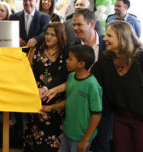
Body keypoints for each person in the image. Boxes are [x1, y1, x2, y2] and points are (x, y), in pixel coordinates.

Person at [91, 21, 143, 152]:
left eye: (109, 35)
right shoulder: (103, 64)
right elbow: (86, 80)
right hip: (119, 118)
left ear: (122, 37)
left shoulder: (140, 59)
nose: (104, 38)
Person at [42, 45, 102, 152]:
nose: (66, 61)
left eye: (70, 58)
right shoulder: (71, 77)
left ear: (81, 64)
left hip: (81, 138)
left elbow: (96, 115)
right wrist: (51, 107)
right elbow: (70, 100)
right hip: (67, 132)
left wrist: (85, 140)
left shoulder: (92, 85)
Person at [23, 22, 68, 152]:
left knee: (53, 143)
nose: (48, 37)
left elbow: (65, 76)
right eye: (47, 34)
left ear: (60, 36)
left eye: (52, 35)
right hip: (37, 99)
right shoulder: (37, 51)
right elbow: (27, 72)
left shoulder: (66, 53)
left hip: (57, 103)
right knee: (35, 140)